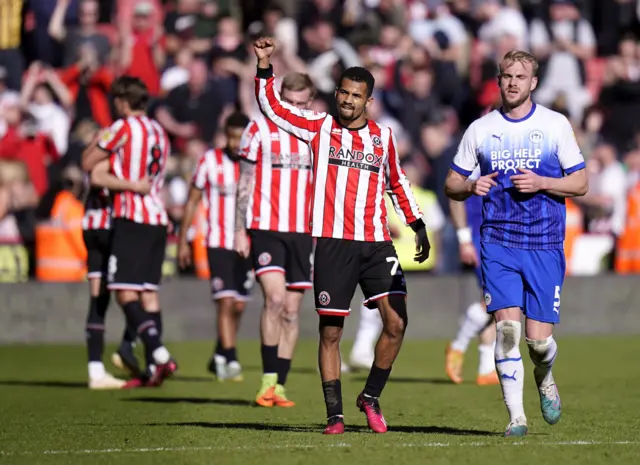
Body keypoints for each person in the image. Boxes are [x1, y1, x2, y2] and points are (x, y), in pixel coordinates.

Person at [250, 37, 430, 434]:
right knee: (331, 332)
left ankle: (370, 396)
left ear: (368, 100)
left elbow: (396, 180)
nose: (348, 100)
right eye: (344, 93)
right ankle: (335, 415)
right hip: (332, 244)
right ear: (336, 94)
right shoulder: (318, 126)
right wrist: (265, 66)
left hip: (376, 242)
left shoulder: (382, 137)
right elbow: (274, 108)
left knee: (397, 322)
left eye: (357, 95)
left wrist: (417, 224)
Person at [444, 50, 588, 437]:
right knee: (506, 331)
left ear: (533, 83)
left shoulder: (555, 125)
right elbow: (451, 184)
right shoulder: (480, 129)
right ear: (498, 79)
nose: (512, 83)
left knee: (538, 345)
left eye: (520, 77)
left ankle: (545, 377)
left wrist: (543, 183)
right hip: (498, 243)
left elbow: (580, 182)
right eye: (506, 75)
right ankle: (516, 418)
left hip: (544, 244)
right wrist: (471, 184)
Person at [82, 76, 175, 388]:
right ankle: (152, 368)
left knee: (123, 291)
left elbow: (89, 165)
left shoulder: (122, 128)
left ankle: (159, 353)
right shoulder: (160, 131)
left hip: (131, 217)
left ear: (122, 102)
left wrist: (125, 179)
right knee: (149, 294)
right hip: (158, 218)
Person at [234, 72, 316, 408]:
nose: (295, 108)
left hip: (302, 232)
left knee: (293, 313)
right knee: (276, 301)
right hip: (265, 227)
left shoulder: (317, 130)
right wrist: (240, 229)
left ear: (310, 102)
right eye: (289, 102)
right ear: (279, 98)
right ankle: (267, 381)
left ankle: (279, 386)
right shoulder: (258, 128)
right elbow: (245, 181)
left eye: (301, 103)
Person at [178, 112, 254, 382]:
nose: (235, 143)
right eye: (231, 137)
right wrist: (183, 240)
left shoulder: (255, 164)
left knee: (239, 307)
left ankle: (220, 353)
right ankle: (231, 359)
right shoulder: (209, 161)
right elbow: (192, 200)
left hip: (247, 245)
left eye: (240, 137)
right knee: (225, 301)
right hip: (217, 242)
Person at [82, 152, 150, 388]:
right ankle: (134, 349)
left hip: (91, 225)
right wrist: (134, 186)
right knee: (135, 291)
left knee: (99, 299)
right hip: (112, 227)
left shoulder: (94, 149)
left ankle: (97, 370)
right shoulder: (117, 150)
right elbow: (97, 177)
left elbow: (88, 168)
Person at [445, 167, 499, 386]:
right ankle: (458, 344)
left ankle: (486, 368)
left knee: (496, 303)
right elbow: (454, 195)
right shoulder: (475, 150)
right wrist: (464, 238)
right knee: (495, 298)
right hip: (481, 236)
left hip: (502, 238)